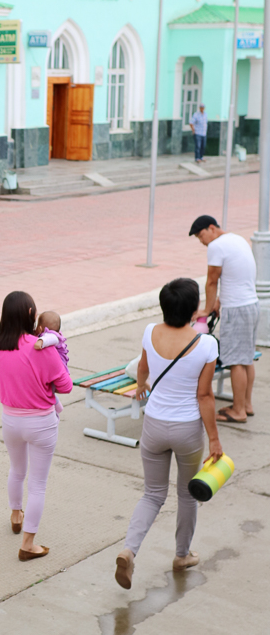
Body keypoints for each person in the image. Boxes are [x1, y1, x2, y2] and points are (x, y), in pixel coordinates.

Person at [115, 277, 222, 589]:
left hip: (154, 426)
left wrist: (141, 389)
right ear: (193, 310)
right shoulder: (206, 345)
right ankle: (182, 554)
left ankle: (128, 550)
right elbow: (204, 397)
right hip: (187, 430)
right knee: (187, 494)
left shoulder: (150, 332)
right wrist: (214, 438)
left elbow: (143, 370)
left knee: (152, 494)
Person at [0, 291, 73, 558]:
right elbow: (66, 386)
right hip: (40, 422)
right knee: (37, 484)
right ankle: (27, 544)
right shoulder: (42, 346)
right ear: (30, 315)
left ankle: (15, 515)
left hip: (10, 419)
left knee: (16, 470)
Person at [190, 214, 259, 423]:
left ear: (212, 228)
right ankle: (246, 404)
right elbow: (236, 275)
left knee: (236, 361)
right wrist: (220, 300)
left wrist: (206, 309)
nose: (202, 242)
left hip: (236, 309)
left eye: (201, 235)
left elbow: (211, 281)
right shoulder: (237, 239)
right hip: (250, 305)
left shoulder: (216, 246)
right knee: (246, 357)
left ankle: (238, 411)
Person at [33, 309, 69, 414]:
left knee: (49, 390)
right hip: (59, 367)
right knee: (50, 391)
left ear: (40, 328)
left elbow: (49, 339)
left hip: (59, 368)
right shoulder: (56, 334)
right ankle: (57, 406)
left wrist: (40, 342)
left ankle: (57, 407)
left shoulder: (52, 336)